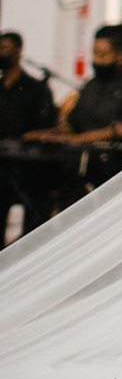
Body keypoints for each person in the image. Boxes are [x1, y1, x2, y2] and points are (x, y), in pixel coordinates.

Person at [26, 22, 122, 166]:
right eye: (94, 54)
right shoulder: (92, 84)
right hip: (85, 158)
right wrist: (49, 135)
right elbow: (72, 124)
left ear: (120, 55)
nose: (96, 60)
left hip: (121, 164)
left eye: (102, 55)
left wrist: (77, 139)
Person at [0, 31, 58, 244]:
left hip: (28, 165)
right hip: (2, 164)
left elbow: (46, 126)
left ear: (19, 51)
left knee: (34, 216)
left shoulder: (35, 89)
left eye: (5, 48)